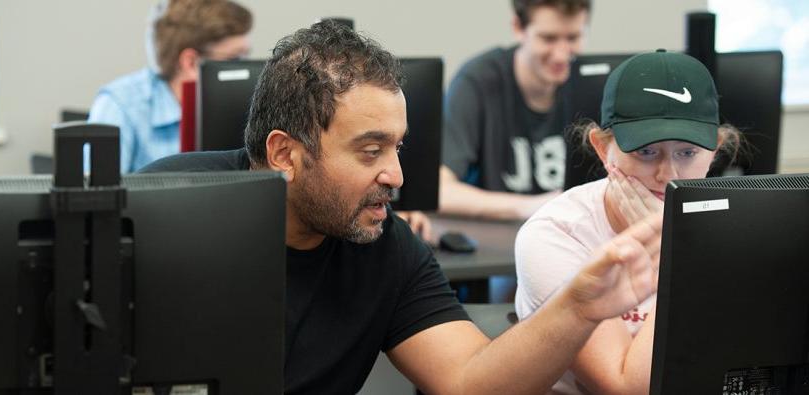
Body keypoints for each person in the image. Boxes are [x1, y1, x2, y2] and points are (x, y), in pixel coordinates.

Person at [141, 21, 661, 395]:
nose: (396, 175)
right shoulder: (166, 212)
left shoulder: (385, 247)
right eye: (371, 151)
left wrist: (579, 308)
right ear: (285, 154)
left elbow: (468, 382)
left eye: (398, 148)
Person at [514, 50, 741, 394]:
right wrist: (675, 250)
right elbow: (629, 387)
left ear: (716, 150)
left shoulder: (737, 224)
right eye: (646, 152)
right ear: (603, 150)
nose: (668, 174)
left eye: (688, 152)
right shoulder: (555, 236)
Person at [439, 0, 590, 221]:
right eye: (548, 38)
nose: (561, 55)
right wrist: (532, 207)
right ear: (519, 28)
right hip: (496, 243)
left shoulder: (588, 82)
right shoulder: (478, 81)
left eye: (573, 38)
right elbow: (441, 192)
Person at [88, 0, 252, 173]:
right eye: (235, 59)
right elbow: (99, 197)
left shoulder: (238, 106)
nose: (245, 69)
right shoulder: (119, 106)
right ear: (191, 63)